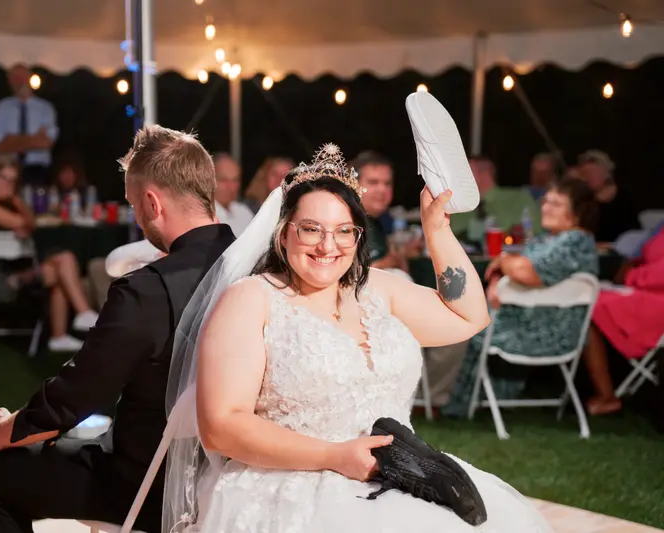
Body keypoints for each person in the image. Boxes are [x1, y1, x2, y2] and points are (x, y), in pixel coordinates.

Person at [162, 144, 550, 533]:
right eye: (311, 229)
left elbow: (470, 316)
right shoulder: (250, 299)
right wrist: (334, 456)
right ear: (283, 235)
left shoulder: (378, 288)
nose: (328, 246)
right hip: (288, 485)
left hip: (402, 477)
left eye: (343, 231)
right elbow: (221, 425)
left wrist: (437, 230)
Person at [0, 126, 235, 533]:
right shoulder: (257, 266)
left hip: (149, 485)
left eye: (133, 206)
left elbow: (78, 395)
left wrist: (5, 429)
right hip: (231, 477)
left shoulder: (146, 290)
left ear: (152, 202)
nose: (139, 220)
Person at [442, 178, 599, 417]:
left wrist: (502, 263)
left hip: (542, 331)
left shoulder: (575, 241)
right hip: (528, 322)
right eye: (546, 202)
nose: (545, 208)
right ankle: (454, 400)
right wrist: (498, 278)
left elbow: (527, 272)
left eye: (556, 204)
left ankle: (447, 402)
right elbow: (518, 266)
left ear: (578, 212)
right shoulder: (550, 239)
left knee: (463, 318)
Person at [0, 156, 99, 352]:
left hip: (12, 277)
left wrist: (18, 215)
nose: (7, 184)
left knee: (61, 264)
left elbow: (26, 223)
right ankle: (77, 319)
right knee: (63, 261)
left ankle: (68, 329)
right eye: (3, 178)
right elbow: (26, 223)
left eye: (12, 180)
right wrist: (18, 202)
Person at [583, 224, 664, 416]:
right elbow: (647, 255)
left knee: (590, 303)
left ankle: (606, 395)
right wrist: (629, 265)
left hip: (656, 301)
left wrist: (629, 275)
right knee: (586, 296)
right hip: (643, 289)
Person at [0, 64, 58, 187]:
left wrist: (11, 140)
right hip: (7, 170)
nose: (19, 82)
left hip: (38, 170)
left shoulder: (45, 109)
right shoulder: (0, 109)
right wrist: (34, 139)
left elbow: (46, 143)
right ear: (9, 81)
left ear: (30, 78)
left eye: (22, 77)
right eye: (15, 78)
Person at [213, 152, 254, 236]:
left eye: (235, 180)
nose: (231, 186)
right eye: (223, 180)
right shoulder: (204, 217)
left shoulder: (244, 211)